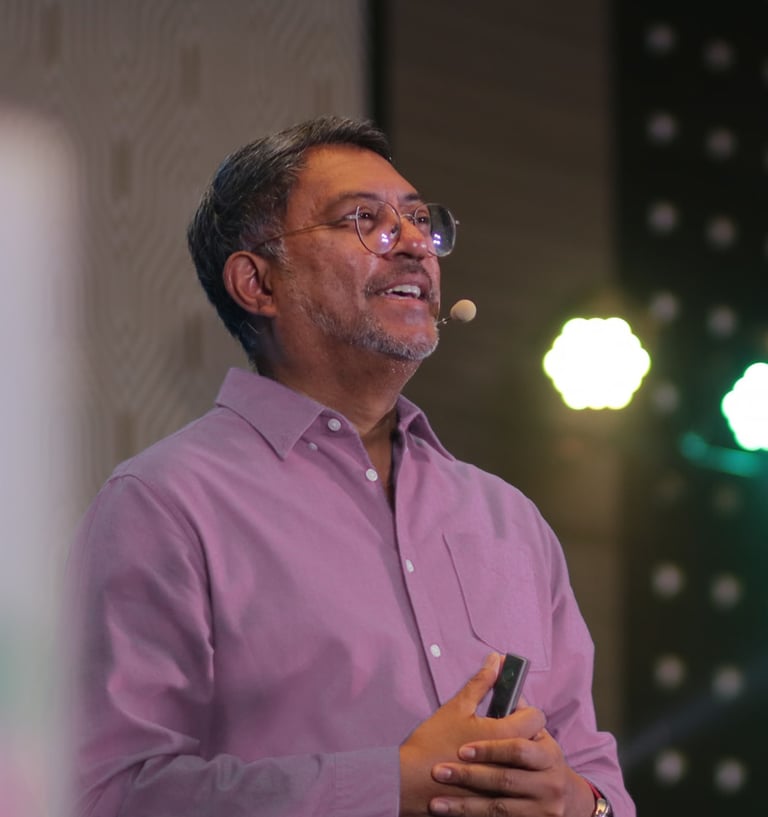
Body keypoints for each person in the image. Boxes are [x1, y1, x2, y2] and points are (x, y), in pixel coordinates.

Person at [67, 115, 635, 817]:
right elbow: (105, 793)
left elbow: (597, 777)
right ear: (257, 283)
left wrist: (577, 802)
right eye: (363, 219)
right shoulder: (164, 503)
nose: (415, 244)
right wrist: (388, 785)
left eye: (420, 220)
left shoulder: (509, 520)